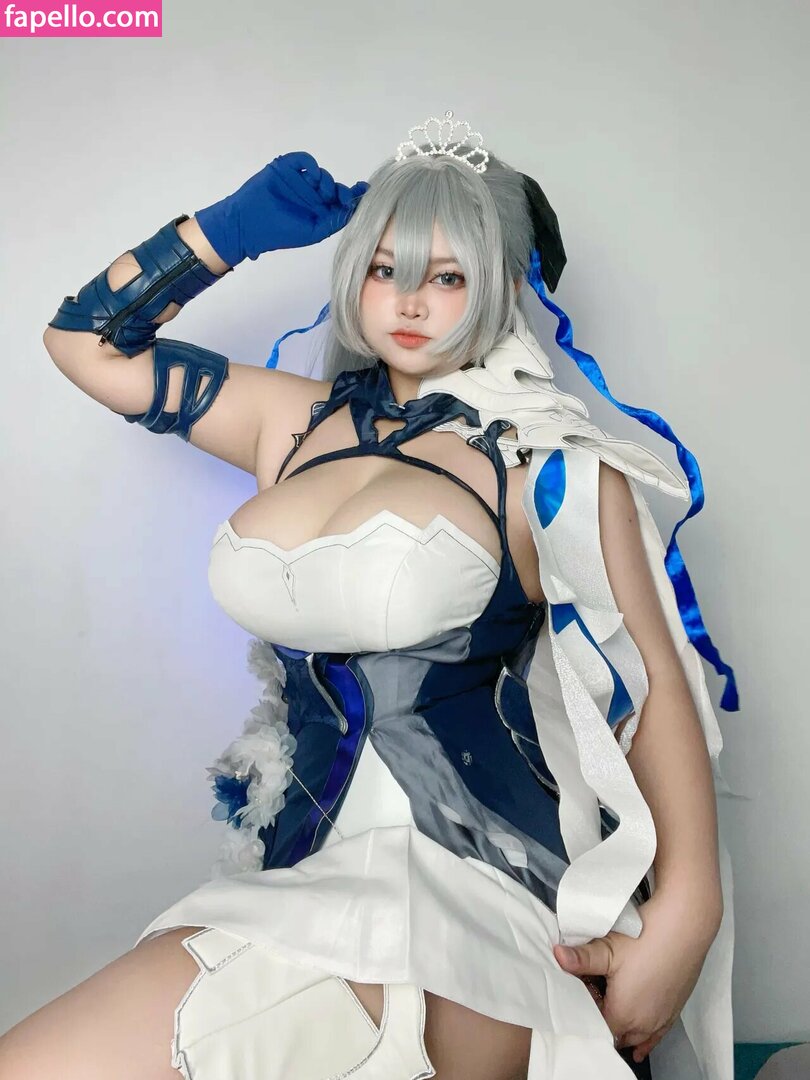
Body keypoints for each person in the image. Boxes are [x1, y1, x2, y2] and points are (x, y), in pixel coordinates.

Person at [1, 111, 736, 1080]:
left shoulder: (545, 466)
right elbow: (84, 342)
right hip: (293, 879)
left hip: (474, 896)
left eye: (448, 277)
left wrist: (686, 916)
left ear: (498, 285)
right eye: (386, 268)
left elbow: (654, 688)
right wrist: (228, 230)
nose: (410, 302)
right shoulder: (287, 424)